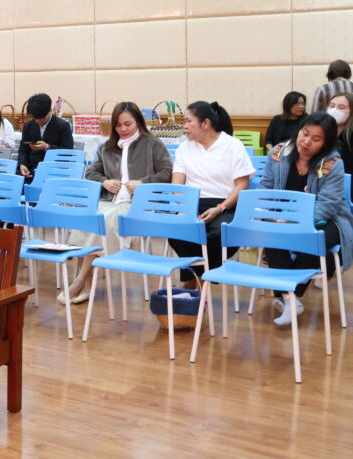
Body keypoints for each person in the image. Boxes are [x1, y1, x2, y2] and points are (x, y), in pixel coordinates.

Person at [62, 102, 173, 304]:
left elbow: (167, 173)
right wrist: (105, 182)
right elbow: (90, 172)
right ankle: (84, 282)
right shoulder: (107, 147)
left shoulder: (153, 144)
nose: (123, 129)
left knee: (105, 220)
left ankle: (80, 282)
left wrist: (142, 183)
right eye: (118, 125)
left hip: (138, 203)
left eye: (128, 124)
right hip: (110, 200)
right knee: (87, 219)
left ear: (138, 122)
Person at [259, 112, 353, 325]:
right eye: (305, 133)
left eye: (316, 139)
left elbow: (327, 206)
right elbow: (265, 187)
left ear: (325, 143)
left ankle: (289, 296)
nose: (306, 141)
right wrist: (269, 214)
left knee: (313, 239)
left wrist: (293, 220)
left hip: (328, 218)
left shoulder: (333, 163)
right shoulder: (278, 153)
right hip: (281, 216)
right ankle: (290, 300)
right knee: (271, 233)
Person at [169, 101, 255, 287]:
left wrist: (220, 208)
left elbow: (242, 184)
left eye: (188, 121)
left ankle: (194, 282)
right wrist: (182, 207)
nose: (184, 126)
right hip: (192, 203)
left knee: (220, 233)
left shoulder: (232, 145)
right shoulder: (184, 147)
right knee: (177, 231)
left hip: (226, 205)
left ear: (205, 123)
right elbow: (177, 183)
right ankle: (203, 279)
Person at [17, 93, 74, 179]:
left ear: (50, 110)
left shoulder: (63, 126)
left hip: (55, 171)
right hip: (31, 171)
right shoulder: (28, 126)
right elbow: (23, 150)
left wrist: (47, 147)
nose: (38, 121)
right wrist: (22, 164)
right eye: (35, 118)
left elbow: (68, 152)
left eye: (41, 118)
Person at [327, 92, 353, 187]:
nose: (334, 110)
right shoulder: (321, 134)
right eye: (332, 106)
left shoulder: (349, 137)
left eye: (341, 107)